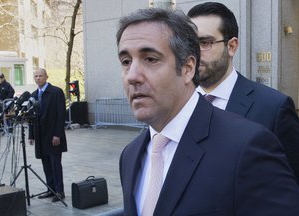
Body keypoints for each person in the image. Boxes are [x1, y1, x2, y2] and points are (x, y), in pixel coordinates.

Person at [116, 8, 299, 216]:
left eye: (150, 59)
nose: (132, 76)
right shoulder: (130, 156)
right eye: (126, 62)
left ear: (187, 68)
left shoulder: (249, 146)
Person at [188, 2, 299, 183]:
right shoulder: (176, 105)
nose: (194, 53)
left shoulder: (274, 108)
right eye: (190, 43)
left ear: (231, 46)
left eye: (205, 43)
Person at [28, 68, 67, 202]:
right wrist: (31, 134)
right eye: (36, 76)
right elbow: (31, 117)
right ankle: (50, 189)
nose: (38, 78)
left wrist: (58, 134)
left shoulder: (56, 92)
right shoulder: (33, 95)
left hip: (53, 136)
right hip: (40, 136)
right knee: (46, 164)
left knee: (55, 163)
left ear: (46, 77)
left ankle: (59, 191)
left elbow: (61, 114)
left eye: (40, 76)